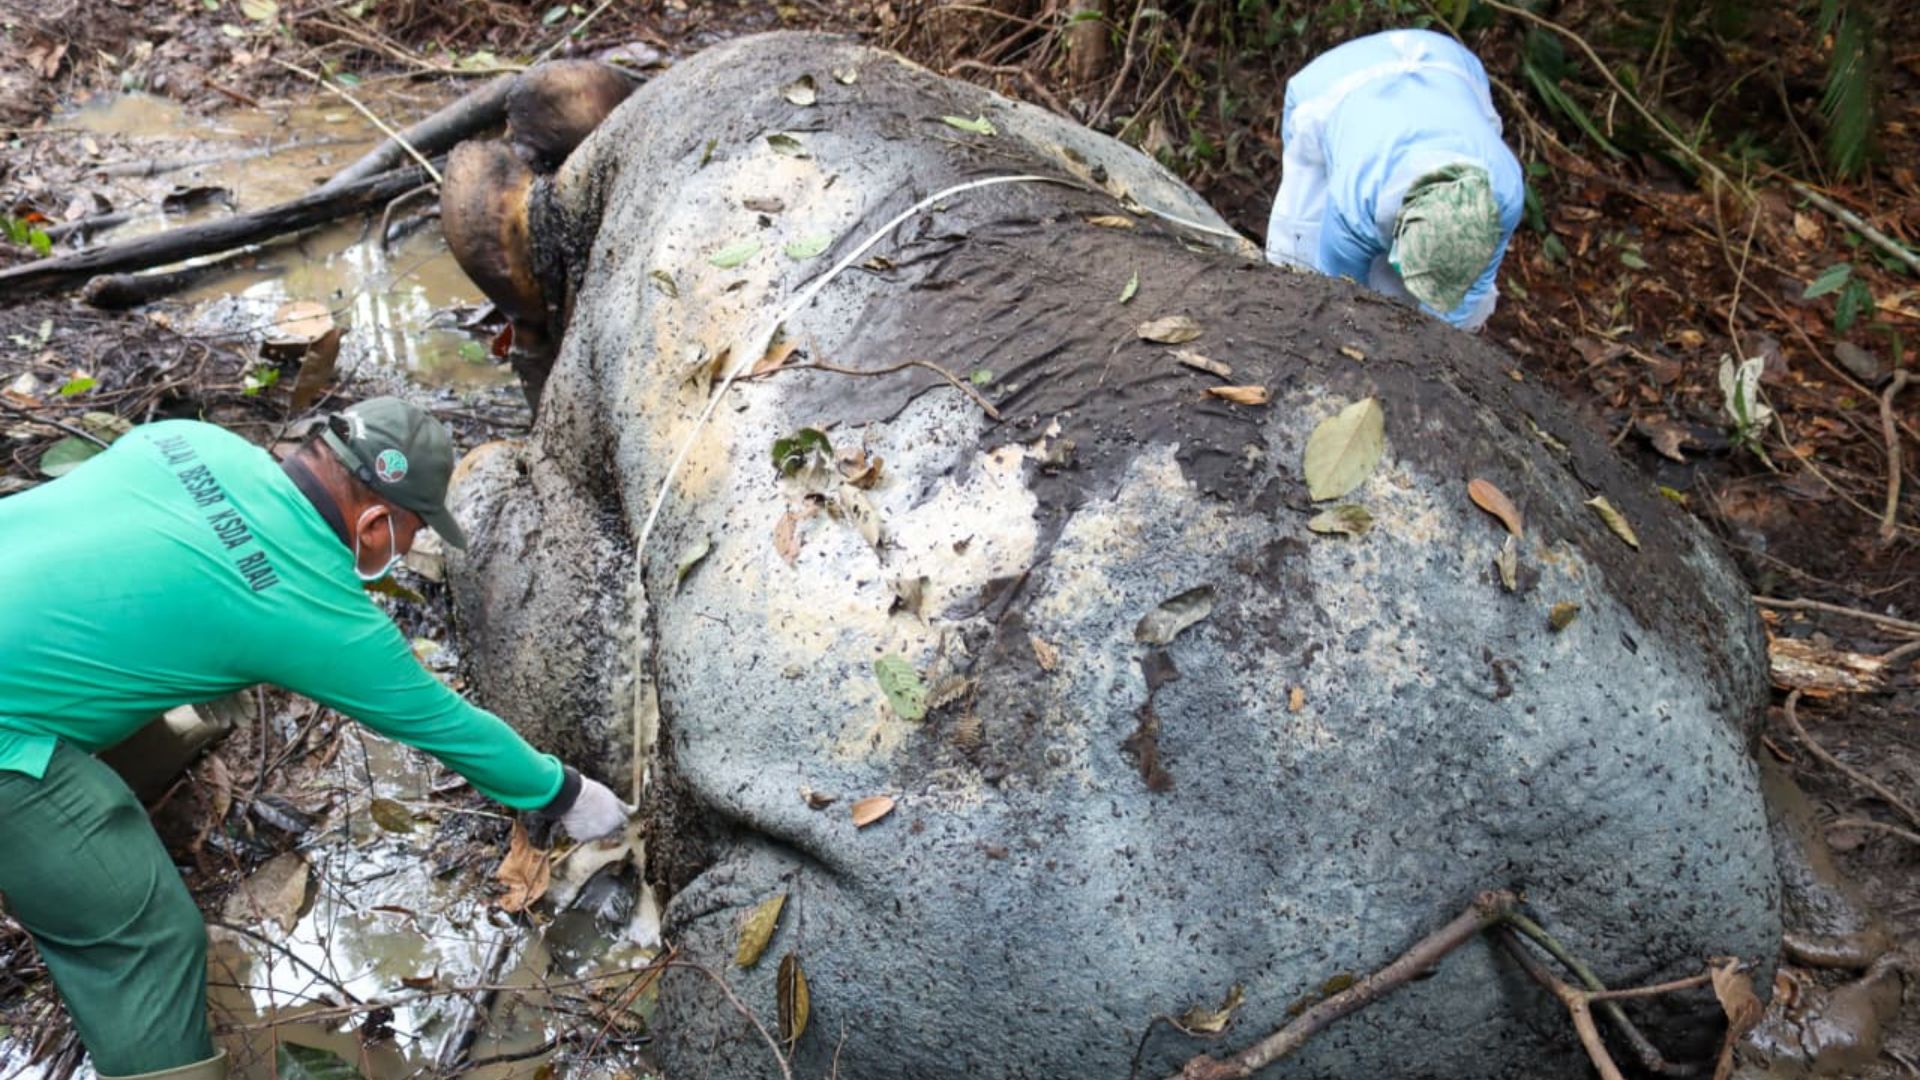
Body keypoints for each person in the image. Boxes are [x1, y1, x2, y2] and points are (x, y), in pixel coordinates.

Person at [0, 398, 629, 1080]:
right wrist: (566, 792)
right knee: (147, 937)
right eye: (412, 533)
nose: (401, 553)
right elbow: (446, 723)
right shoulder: (319, 615)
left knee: (179, 696)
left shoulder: (190, 440)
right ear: (375, 523)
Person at [1265, 28, 1525, 331]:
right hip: (1334, 82)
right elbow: (1339, 289)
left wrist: (1442, 343)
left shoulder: (1505, 195)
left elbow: (1471, 291)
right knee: (1302, 260)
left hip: (1449, 66)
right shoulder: (1355, 202)